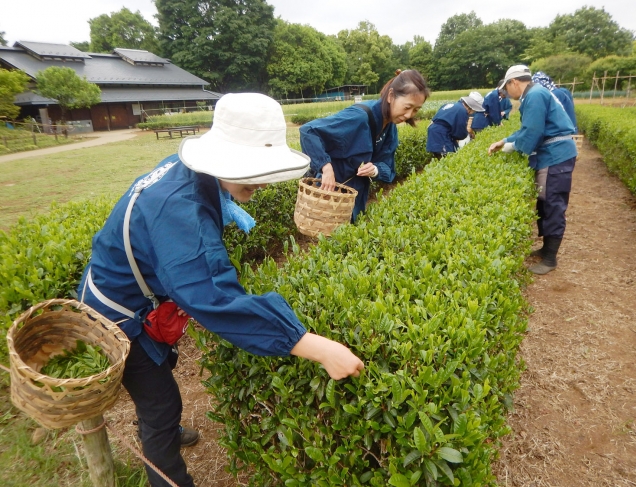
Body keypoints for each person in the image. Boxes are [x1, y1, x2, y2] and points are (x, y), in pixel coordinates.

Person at [77, 93, 365, 487]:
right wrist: (316, 347)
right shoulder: (180, 211)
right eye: (253, 171)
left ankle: (159, 429)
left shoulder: (189, 173)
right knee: (161, 404)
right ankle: (167, 471)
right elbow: (213, 297)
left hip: (133, 293)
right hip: (117, 313)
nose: (262, 183)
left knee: (161, 375)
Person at [299, 69, 429, 222]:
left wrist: (375, 170)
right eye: (407, 107)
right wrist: (326, 168)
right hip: (330, 194)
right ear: (391, 96)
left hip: (355, 197)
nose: (409, 115)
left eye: (416, 110)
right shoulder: (358, 117)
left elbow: (388, 168)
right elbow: (308, 131)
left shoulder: (391, 129)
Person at [488, 65, 578, 275]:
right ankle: (546, 249)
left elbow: (533, 132)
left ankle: (550, 259)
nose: (507, 94)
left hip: (557, 156)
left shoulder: (535, 95)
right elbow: (527, 129)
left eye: (506, 88)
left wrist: (514, 147)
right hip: (552, 155)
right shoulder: (535, 93)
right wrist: (505, 140)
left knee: (553, 204)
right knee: (544, 202)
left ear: (514, 82)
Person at [426, 91, 485, 159]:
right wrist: (466, 135)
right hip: (441, 135)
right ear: (471, 107)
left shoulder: (451, 105)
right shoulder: (462, 110)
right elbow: (460, 132)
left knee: (442, 158)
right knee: (447, 159)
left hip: (435, 132)